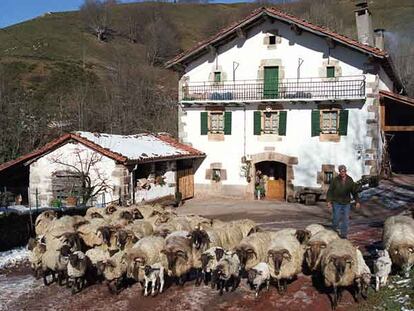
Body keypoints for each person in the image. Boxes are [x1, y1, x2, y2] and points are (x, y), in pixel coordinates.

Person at [326, 165, 360, 239]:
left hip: (346, 203)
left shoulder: (350, 180)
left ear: (346, 171)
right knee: (336, 218)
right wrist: (328, 201)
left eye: (344, 171)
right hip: (336, 202)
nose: (343, 173)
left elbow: (354, 191)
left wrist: (357, 201)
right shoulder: (335, 180)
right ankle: (334, 231)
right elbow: (330, 191)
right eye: (341, 171)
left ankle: (343, 235)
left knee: (345, 219)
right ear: (339, 172)